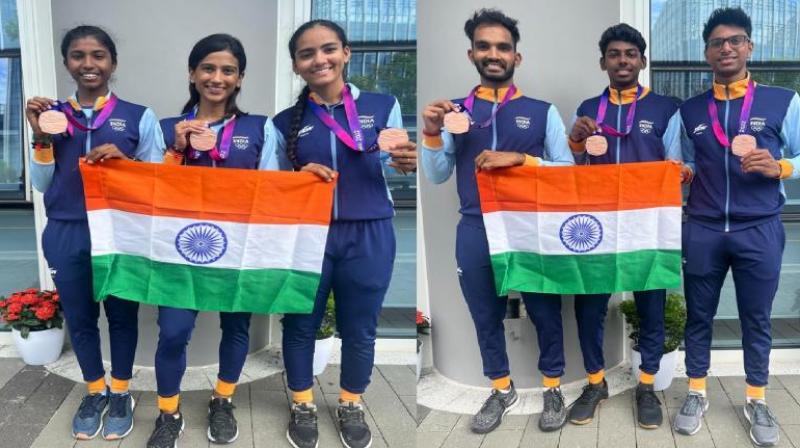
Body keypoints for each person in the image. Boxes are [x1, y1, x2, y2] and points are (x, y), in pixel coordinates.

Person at [420, 9, 574, 434]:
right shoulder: (454, 112)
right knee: (484, 315)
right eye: (484, 46)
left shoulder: (542, 112)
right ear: (471, 53)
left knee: (545, 311)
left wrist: (523, 159)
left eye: (502, 47)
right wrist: (431, 133)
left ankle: (553, 388)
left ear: (516, 57)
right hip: (475, 227)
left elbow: (568, 169)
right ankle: (501, 388)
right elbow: (435, 175)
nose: (494, 54)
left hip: (532, 229)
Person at [272, 19, 417, 448]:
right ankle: (301, 402)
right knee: (301, 324)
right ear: (297, 65)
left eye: (328, 49)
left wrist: (407, 163)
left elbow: (396, 164)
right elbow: (271, 185)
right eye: (307, 53)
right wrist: (298, 175)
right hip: (307, 236)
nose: (320, 59)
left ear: (346, 53)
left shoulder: (382, 103)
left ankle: (351, 402)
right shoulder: (283, 123)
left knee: (361, 328)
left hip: (369, 233)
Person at [145, 33, 287, 448]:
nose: (217, 77)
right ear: (192, 73)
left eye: (228, 70)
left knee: (236, 327)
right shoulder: (167, 128)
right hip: (180, 248)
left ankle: (223, 400)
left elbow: (272, 189)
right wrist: (176, 150)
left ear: (240, 78)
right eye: (208, 68)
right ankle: (168, 412)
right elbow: (152, 191)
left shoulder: (259, 127)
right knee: (172, 331)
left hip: (237, 249)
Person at [25, 25, 164, 440]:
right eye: (79, 56)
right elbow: (42, 182)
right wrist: (38, 134)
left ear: (112, 63)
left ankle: (121, 391)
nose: (89, 64)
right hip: (67, 230)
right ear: (67, 62)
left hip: (121, 233)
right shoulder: (51, 116)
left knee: (122, 317)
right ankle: (94, 389)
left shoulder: (139, 116)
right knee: (82, 319)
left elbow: (156, 181)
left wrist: (126, 161)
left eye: (98, 55)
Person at [673, 7, 800, 447]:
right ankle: (696, 391)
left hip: (759, 228)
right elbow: (682, 161)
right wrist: (683, 172)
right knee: (699, 315)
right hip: (704, 228)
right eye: (716, 42)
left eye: (734, 40)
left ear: (749, 46)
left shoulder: (783, 101)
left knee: (756, 318)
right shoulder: (689, 110)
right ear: (706, 52)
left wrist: (781, 166)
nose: (725, 48)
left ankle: (757, 397)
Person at [566, 23, 690, 429]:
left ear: (642, 60)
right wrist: (575, 144)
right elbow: (571, 172)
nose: (623, 60)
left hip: (647, 227)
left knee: (651, 307)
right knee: (588, 308)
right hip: (597, 228)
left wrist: (683, 172)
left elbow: (676, 165)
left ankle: (647, 386)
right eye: (615, 54)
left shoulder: (665, 109)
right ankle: (596, 382)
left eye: (631, 54)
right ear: (603, 61)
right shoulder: (587, 109)